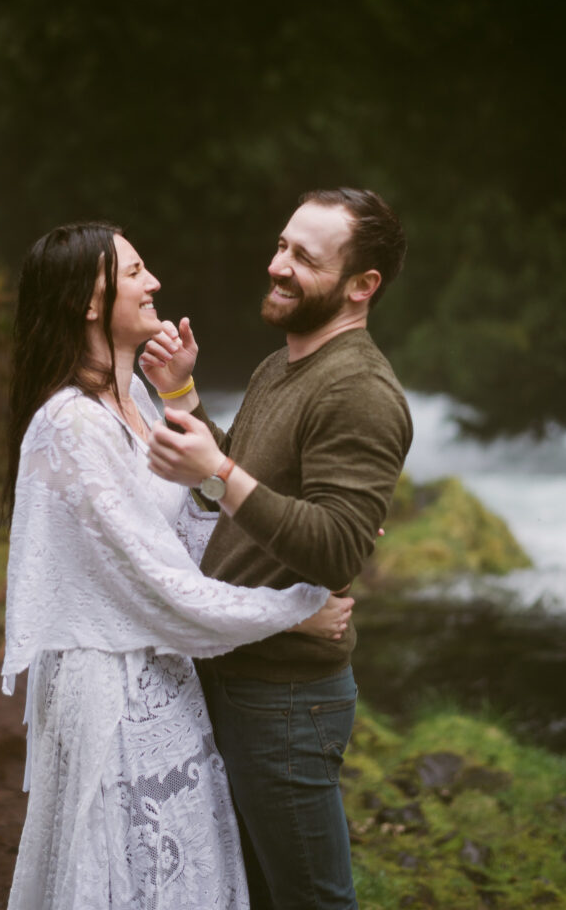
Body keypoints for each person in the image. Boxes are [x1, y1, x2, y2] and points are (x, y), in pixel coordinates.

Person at [1, 220, 354, 910]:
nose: (155, 282)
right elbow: (161, 587)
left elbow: (194, 536)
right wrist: (297, 611)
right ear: (89, 302)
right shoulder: (70, 425)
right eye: (135, 272)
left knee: (177, 877)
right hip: (112, 692)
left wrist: (179, 396)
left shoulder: (130, 402)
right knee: (129, 878)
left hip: (167, 681)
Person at [144, 188, 413, 910]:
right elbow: (243, 493)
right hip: (239, 674)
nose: (279, 265)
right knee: (254, 894)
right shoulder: (279, 366)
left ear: (363, 286)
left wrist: (218, 471)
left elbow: (336, 551)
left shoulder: (360, 391)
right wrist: (184, 397)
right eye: (283, 246)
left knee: (313, 900)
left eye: (305, 257)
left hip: (287, 699)